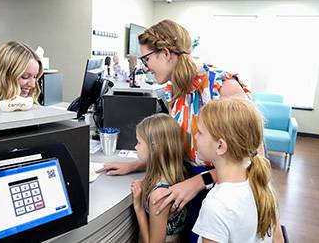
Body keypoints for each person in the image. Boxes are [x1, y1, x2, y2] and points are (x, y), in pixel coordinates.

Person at [98, 19, 253, 241]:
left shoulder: (222, 86)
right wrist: (135, 165)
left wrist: (200, 181)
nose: (145, 66)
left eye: (147, 58)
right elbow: (180, 147)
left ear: (167, 53)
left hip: (220, 188)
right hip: (188, 185)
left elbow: (253, 159)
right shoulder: (175, 91)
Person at [193, 98, 280, 242]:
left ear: (220, 146)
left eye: (200, 133)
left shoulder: (216, 205)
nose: (195, 136)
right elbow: (278, 239)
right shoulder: (263, 185)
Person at [131, 113, 187, 243]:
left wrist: (138, 208)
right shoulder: (175, 173)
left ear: (154, 148)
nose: (135, 147)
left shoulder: (160, 196)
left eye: (139, 142)